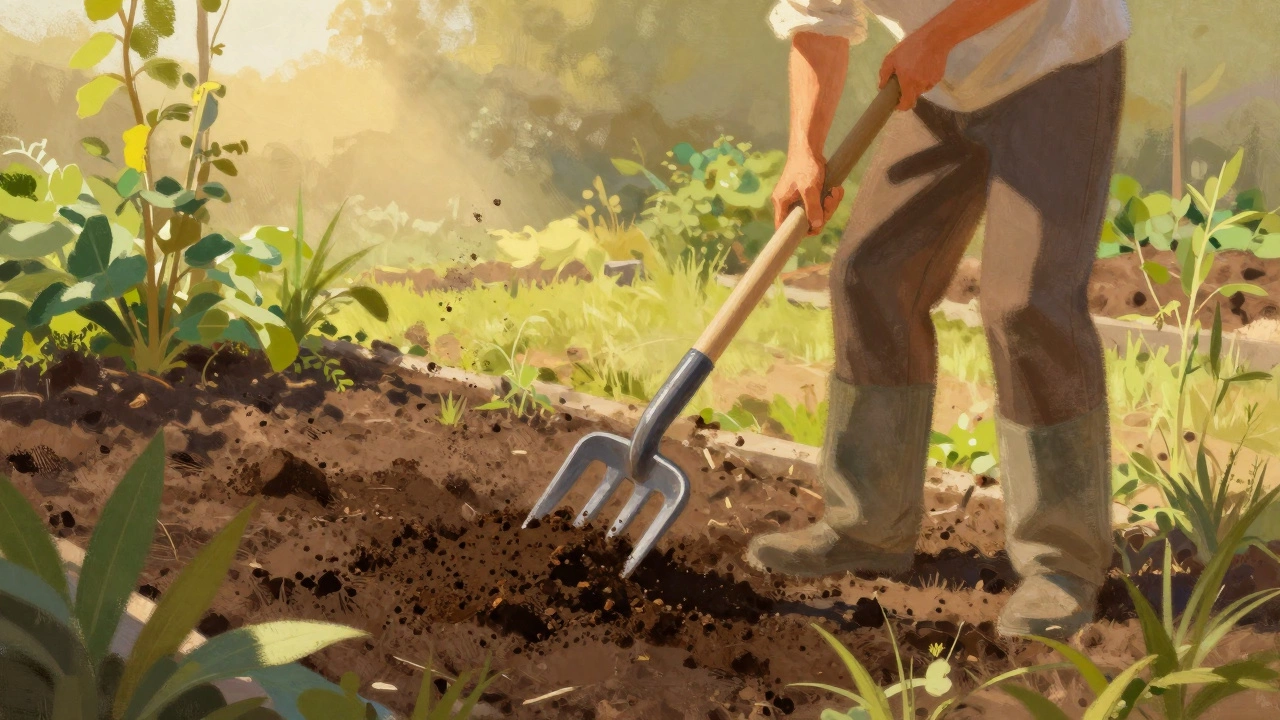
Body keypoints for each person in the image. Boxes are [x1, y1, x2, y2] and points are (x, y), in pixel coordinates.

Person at [745, 0, 1131, 639]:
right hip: (941, 85)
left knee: (1026, 304)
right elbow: (820, 21)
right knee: (870, 278)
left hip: (1058, 63)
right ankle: (866, 525)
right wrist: (803, 151)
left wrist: (941, 33)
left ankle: (1062, 564)